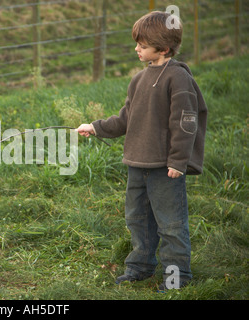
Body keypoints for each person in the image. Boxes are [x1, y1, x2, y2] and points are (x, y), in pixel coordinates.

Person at [76, 11, 207, 290]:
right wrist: (96, 127)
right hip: (137, 163)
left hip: (165, 168)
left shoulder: (178, 78)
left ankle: (176, 277)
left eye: (143, 45)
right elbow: (125, 119)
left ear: (163, 48)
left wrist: (178, 161)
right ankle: (140, 267)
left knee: (171, 225)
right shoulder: (138, 80)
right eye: (137, 43)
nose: (136, 48)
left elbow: (185, 123)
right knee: (137, 219)